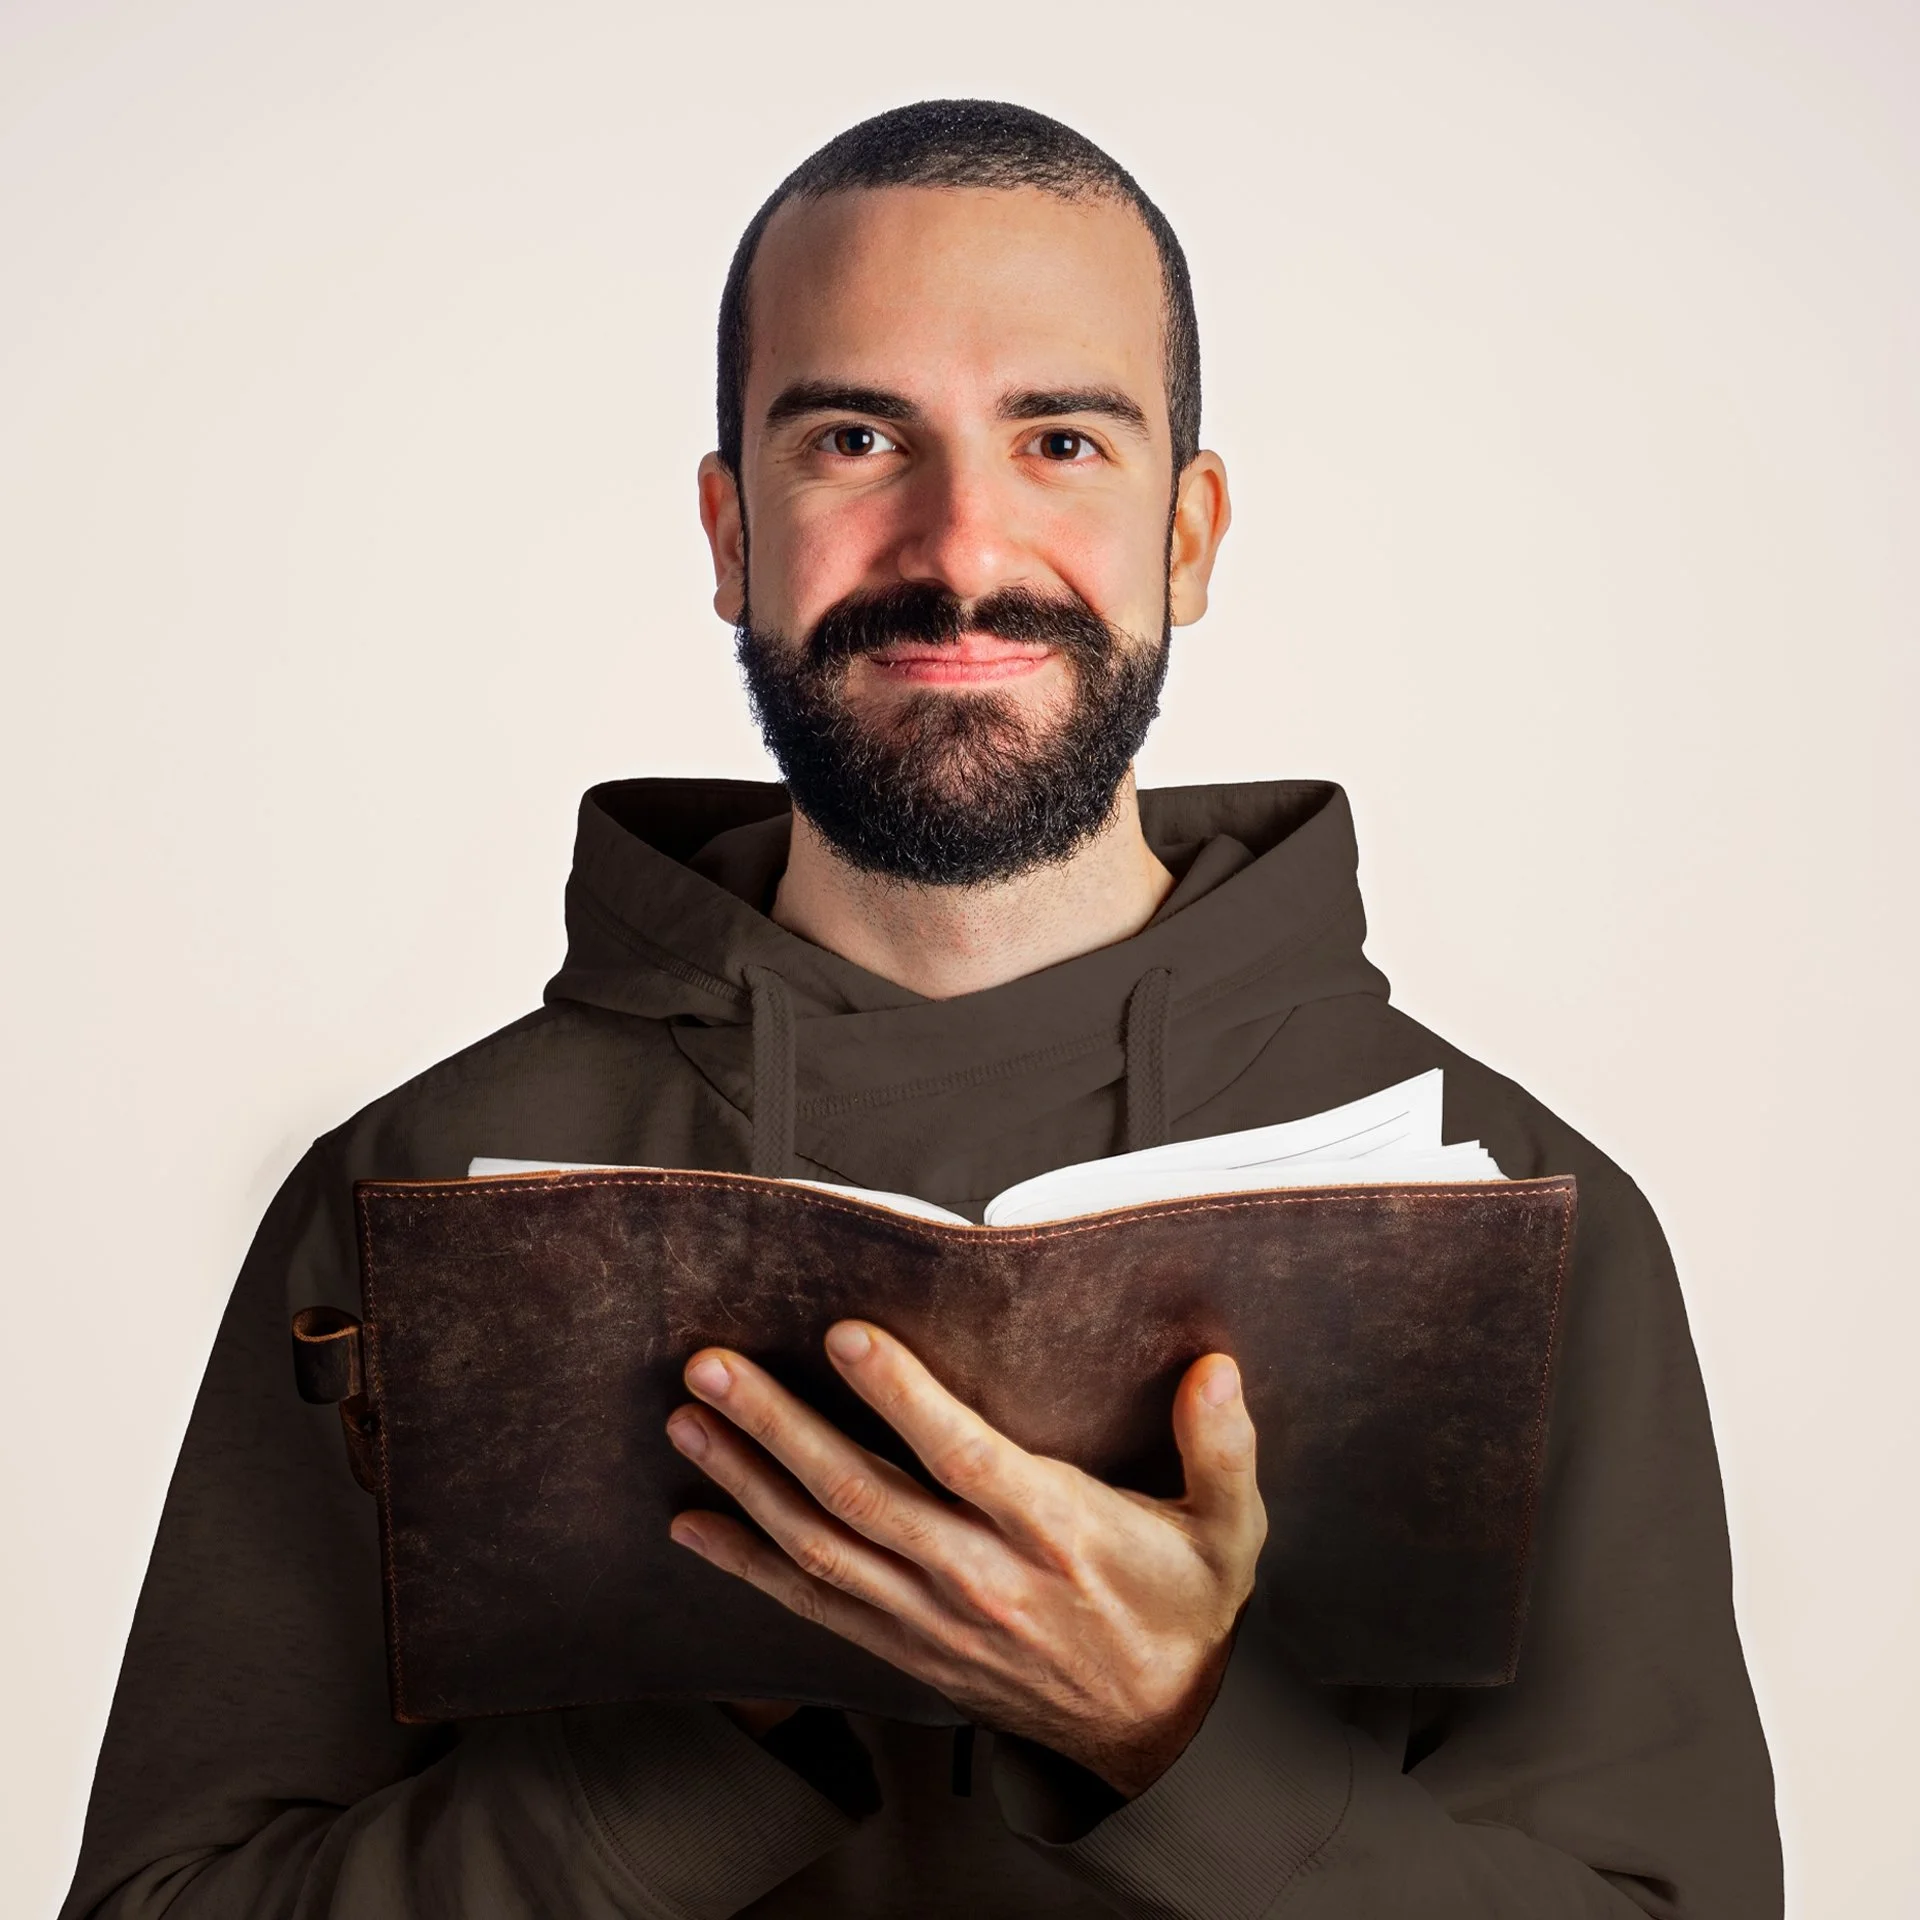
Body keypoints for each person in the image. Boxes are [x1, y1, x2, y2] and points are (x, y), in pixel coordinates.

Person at [58, 99, 1781, 1918]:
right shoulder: (413, 1184)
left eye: (1060, 438)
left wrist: (1183, 1735)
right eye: (858, 436)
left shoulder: (1511, 1202)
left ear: (1187, 535)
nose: (961, 544)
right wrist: (698, 1731)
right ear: (731, 530)